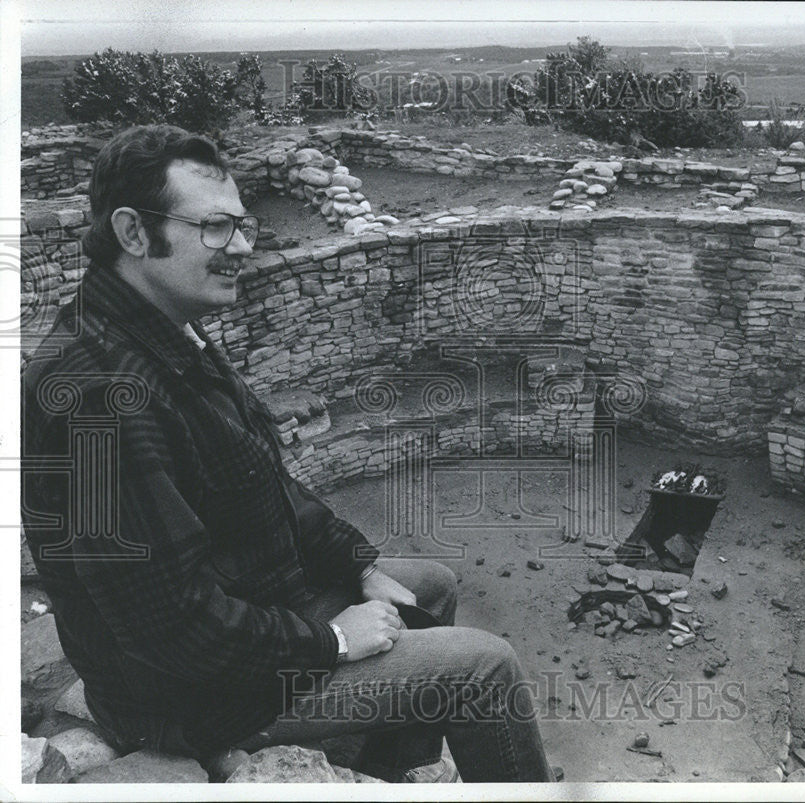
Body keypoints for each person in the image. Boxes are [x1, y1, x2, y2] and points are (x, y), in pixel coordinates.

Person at [21, 124, 555, 783]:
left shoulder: (165, 328)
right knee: (485, 668)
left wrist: (356, 565)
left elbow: (260, 478)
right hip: (190, 695)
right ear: (133, 233)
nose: (242, 246)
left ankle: (392, 769)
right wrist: (331, 639)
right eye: (215, 228)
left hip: (249, 608)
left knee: (428, 585)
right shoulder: (96, 395)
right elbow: (170, 627)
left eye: (241, 225)